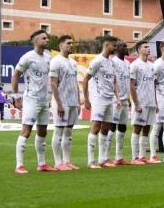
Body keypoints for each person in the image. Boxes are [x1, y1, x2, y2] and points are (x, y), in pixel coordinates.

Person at [13, 30, 57, 174]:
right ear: (36, 42)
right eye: (44, 38)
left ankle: (42, 163)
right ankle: (19, 165)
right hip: (31, 99)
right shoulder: (27, 58)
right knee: (26, 131)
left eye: (47, 38)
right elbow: (15, 76)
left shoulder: (48, 57)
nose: (47, 40)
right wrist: (16, 97)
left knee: (43, 132)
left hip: (44, 100)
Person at [83, 35, 122, 169]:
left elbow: (115, 81)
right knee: (96, 127)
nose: (115, 48)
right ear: (107, 45)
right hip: (98, 99)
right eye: (114, 46)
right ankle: (90, 161)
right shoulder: (96, 61)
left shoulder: (112, 62)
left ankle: (103, 159)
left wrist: (117, 98)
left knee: (105, 127)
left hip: (109, 99)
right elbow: (85, 79)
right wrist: (87, 100)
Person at [49, 35, 81, 171]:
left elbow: (75, 83)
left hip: (73, 102)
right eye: (68, 43)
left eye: (72, 43)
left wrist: (78, 102)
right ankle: (57, 162)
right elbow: (53, 84)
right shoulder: (56, 61)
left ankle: (66, 161)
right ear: (61, 45)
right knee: (58, 131)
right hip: (61, 103)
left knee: (68, 132)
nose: (71, 45)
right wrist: (59, 104)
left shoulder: (73, 62)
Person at [129, 41, 159, 164]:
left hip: (150, 101)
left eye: (148, 47)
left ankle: (142, 156)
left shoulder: (152, 66)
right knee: (137, 128)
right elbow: (131, 85)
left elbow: (153, 85)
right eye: (145, 47)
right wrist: (136, 103)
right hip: (140, 101)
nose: (148, 49)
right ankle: (134, 157)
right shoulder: (135, 65)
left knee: (147, 128)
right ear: (139, 50)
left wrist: (156, 102)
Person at [108, 41, 131, 165]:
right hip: (115, 99)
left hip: (125, 99)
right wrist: (116, 97)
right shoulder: (113, 62)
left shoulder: (127, 63)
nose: (126, 48)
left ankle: (119, 157)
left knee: (123, 127)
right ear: (117, 49)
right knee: (112, 126)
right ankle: (106, 156)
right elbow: (112, 80)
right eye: (124, 46)